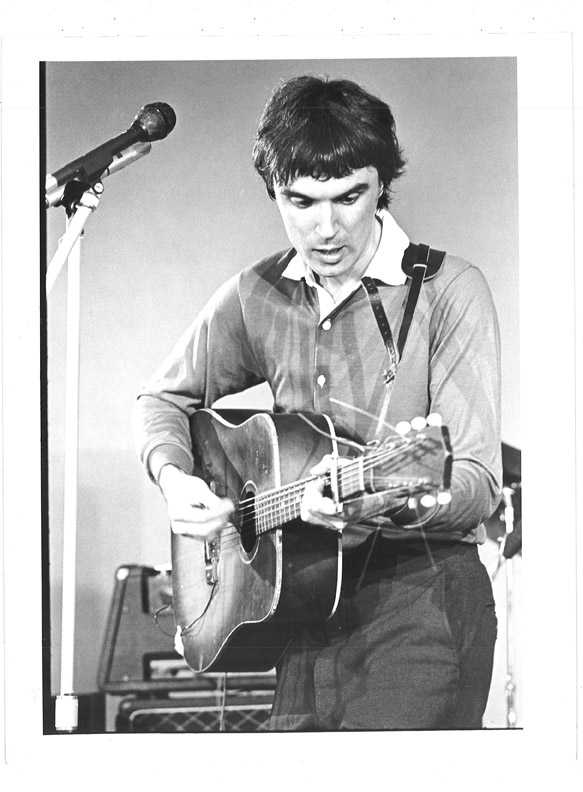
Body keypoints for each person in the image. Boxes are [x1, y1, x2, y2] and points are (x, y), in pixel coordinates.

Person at [135, 75, 502, 730]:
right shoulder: (257, 294)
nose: (326, 227)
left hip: (422, 613)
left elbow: (475, 484)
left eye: (349, 196)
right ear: (273, 191)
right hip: (299, 622)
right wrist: (175, 480)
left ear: (381, 184)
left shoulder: (449, 290)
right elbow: (162, 399)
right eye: (300, 201)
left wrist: (379, 502)